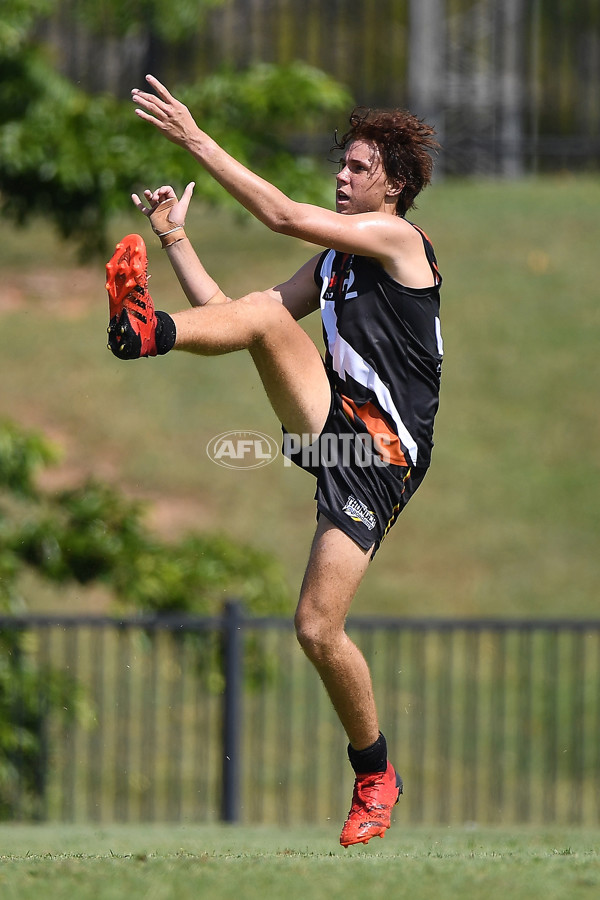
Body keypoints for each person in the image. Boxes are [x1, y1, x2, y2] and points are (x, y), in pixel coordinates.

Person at [105, 75, 443, 847]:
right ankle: (142, 333)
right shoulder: (332, 267)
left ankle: (375, 773)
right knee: (257, 314)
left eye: (361, 168)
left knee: (318, 629)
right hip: (333, 426)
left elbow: (285, 215)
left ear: (394, 185)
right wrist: (174, 238)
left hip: (381, 453)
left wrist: (195, 140)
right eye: (344, 164)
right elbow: (240, 315)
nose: (344, 176)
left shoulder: (402, 242)